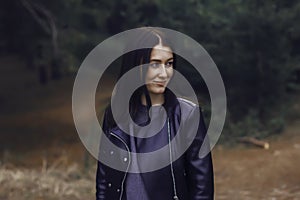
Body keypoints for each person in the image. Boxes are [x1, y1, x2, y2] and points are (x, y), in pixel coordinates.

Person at [96, 27, 214, 200]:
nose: (164, 73)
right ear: (136, 64)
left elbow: (202, 189)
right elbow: (104, 182)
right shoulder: (115, 114)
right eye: (154, 64)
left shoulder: (188, 116)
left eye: (169, 63)